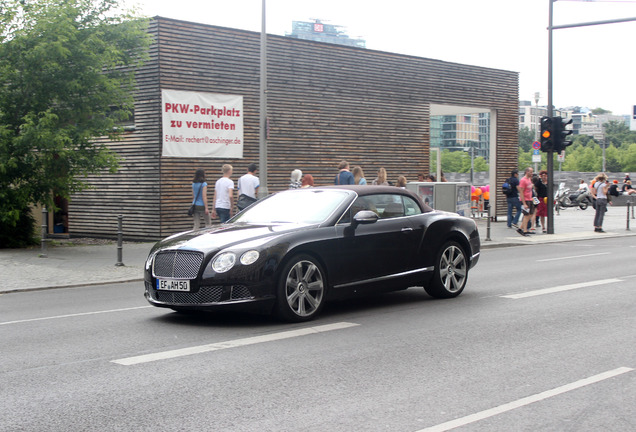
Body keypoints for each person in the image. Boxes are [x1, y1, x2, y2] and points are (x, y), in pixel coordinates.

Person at [517, 167, 534, 236]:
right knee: (526, 215)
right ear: (527, 172)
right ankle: (525, 230)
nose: (532, 173)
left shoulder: (529, 179)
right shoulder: (523, 180)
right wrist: (524, 203)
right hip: (525, 200)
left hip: (530, 199)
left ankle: (520, 228)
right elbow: (521, 192)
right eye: (531, 172)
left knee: (531, 214)